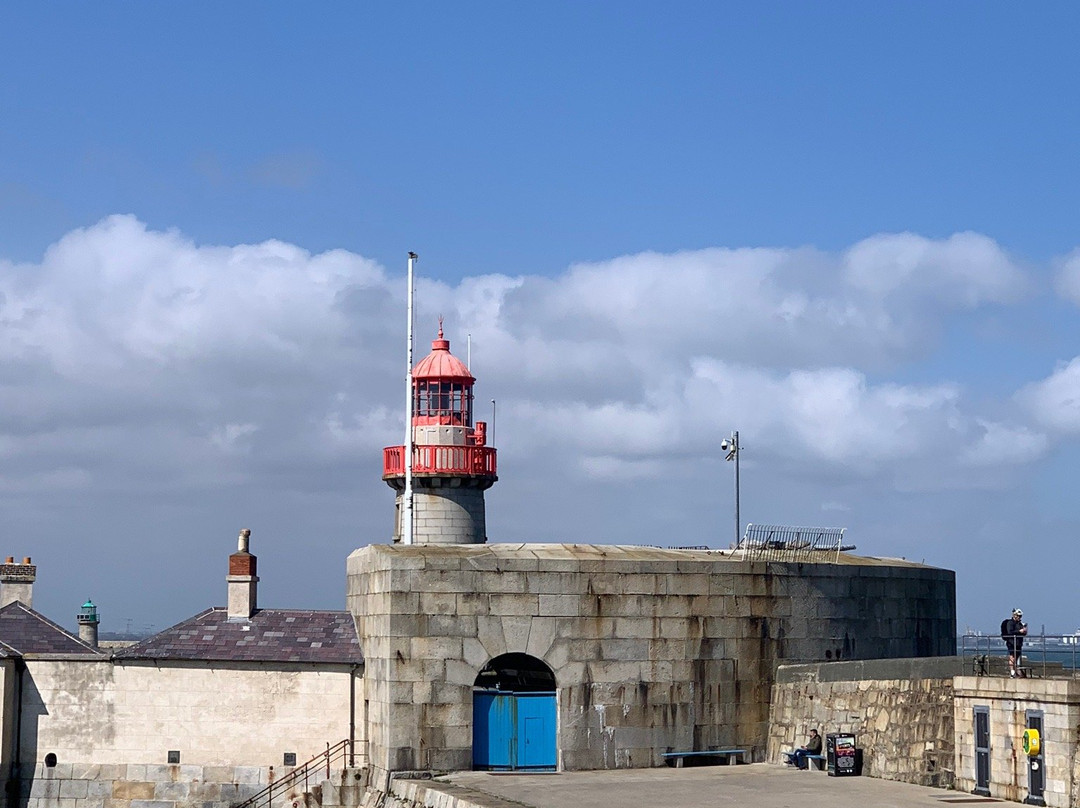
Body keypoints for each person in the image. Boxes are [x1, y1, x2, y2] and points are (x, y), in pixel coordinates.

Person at [1001, 608, 1028, 678]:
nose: (1019, 617)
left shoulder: (1019, 624)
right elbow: (1010, 632)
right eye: (1018, 616)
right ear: (1014, 615)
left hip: (1018, 643)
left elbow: (1021, 633)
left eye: (1020, 616)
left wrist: (1024, 632)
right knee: (1012, 657)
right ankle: (1012, 673)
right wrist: (1019, 631)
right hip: (1011, 643)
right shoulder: (1010, 623)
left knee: (1016, 657)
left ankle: (1016, 672)